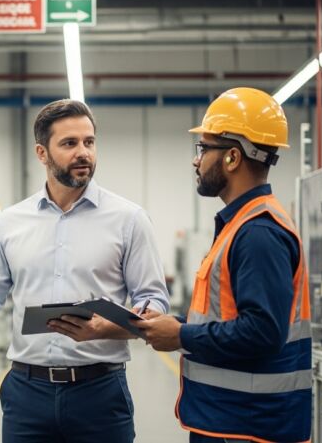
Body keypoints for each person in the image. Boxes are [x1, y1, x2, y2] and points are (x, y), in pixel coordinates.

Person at [0, 99, 169, 443]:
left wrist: (105, 329)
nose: (83, 152)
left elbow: (154, 303)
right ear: (42, 153)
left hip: (99, 393)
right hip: (27, 395)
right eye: (69, 143)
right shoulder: (11, 222)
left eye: (89, 142)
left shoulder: (129, 220)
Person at [133, 87, 312, 443]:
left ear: (232, 157)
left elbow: (262, 332)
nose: (195, 161)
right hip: (232, 421)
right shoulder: (240, 225)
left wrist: (181, 335)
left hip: (247, 427)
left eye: (203, 149)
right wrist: (175, 325)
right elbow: (228, 321)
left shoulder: (258, 232)